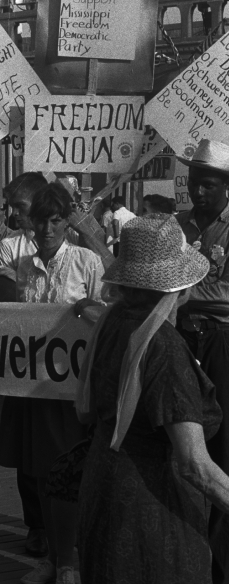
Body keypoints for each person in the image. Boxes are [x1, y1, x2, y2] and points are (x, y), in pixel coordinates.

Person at [75, 214, 229, 584]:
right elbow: (195, 466)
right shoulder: (164, 346)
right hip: (152, 510)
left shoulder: (114, 321)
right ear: (181, 286)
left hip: (106, 492)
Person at [0, 172, 112, 560]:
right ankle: (52, 545)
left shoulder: (87, 262)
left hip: (73, 388)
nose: (47, 228)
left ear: (67, 222)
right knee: (39, 469)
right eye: (41, 220)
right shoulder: (24, 266)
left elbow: (107, 318)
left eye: (56, 220)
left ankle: (76, 546)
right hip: (35, 383)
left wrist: (87, 312)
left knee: (74, 466)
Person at [175, 139, 229, 583]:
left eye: (208, 185)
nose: (199, 192)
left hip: (221, 345)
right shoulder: (179, 226)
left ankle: (220, 561)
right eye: (194, 184)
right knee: (183, 444)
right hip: (181, 341)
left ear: (226, 187)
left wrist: (184, 294)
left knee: (222, 449)